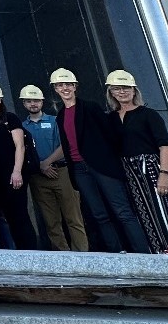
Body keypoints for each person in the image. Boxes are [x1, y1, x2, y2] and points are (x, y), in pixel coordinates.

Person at [51, 67, 148, 253]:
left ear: (75, 87)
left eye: (68, 84)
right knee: (99, 214)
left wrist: (110, 160)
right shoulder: (61, 115)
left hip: (101, 166)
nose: (65, 88)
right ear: (55, 88)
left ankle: (143, 253)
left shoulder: (90, 107)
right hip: (79, 169)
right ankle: (115, 252)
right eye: (60, 85)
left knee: (122, 211)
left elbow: (109, 135)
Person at [106, 69, 168, 252]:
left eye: (126, 88)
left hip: (153, 167)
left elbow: (165, 146)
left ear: (134, 90)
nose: (122, 92)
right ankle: (159, 257)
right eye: (117, 89)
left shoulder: (149, 114)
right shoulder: (111, 119)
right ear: (111, 92)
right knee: (146, 217)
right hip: (131, 173)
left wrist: (164, 174)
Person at [20, 84, 88, 251]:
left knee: (74, 219)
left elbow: (65, 146)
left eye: (36, 100)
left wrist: (46, 163)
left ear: (42, 102)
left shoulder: (56, 121)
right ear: (24, 104)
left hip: (62, 172)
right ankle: (63, 258)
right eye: (28, 101)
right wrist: (41, 167)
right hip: (38, 178)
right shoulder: (21, 127)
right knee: (51, 223)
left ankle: (83, 256)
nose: (33, 104)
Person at [0, 82, 37, 250]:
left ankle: (31, 252)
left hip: (14, 174)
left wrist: (17, 172)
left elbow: (20, 146)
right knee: (7, 215)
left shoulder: (10, 118)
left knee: (20, 214)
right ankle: (18, 252)